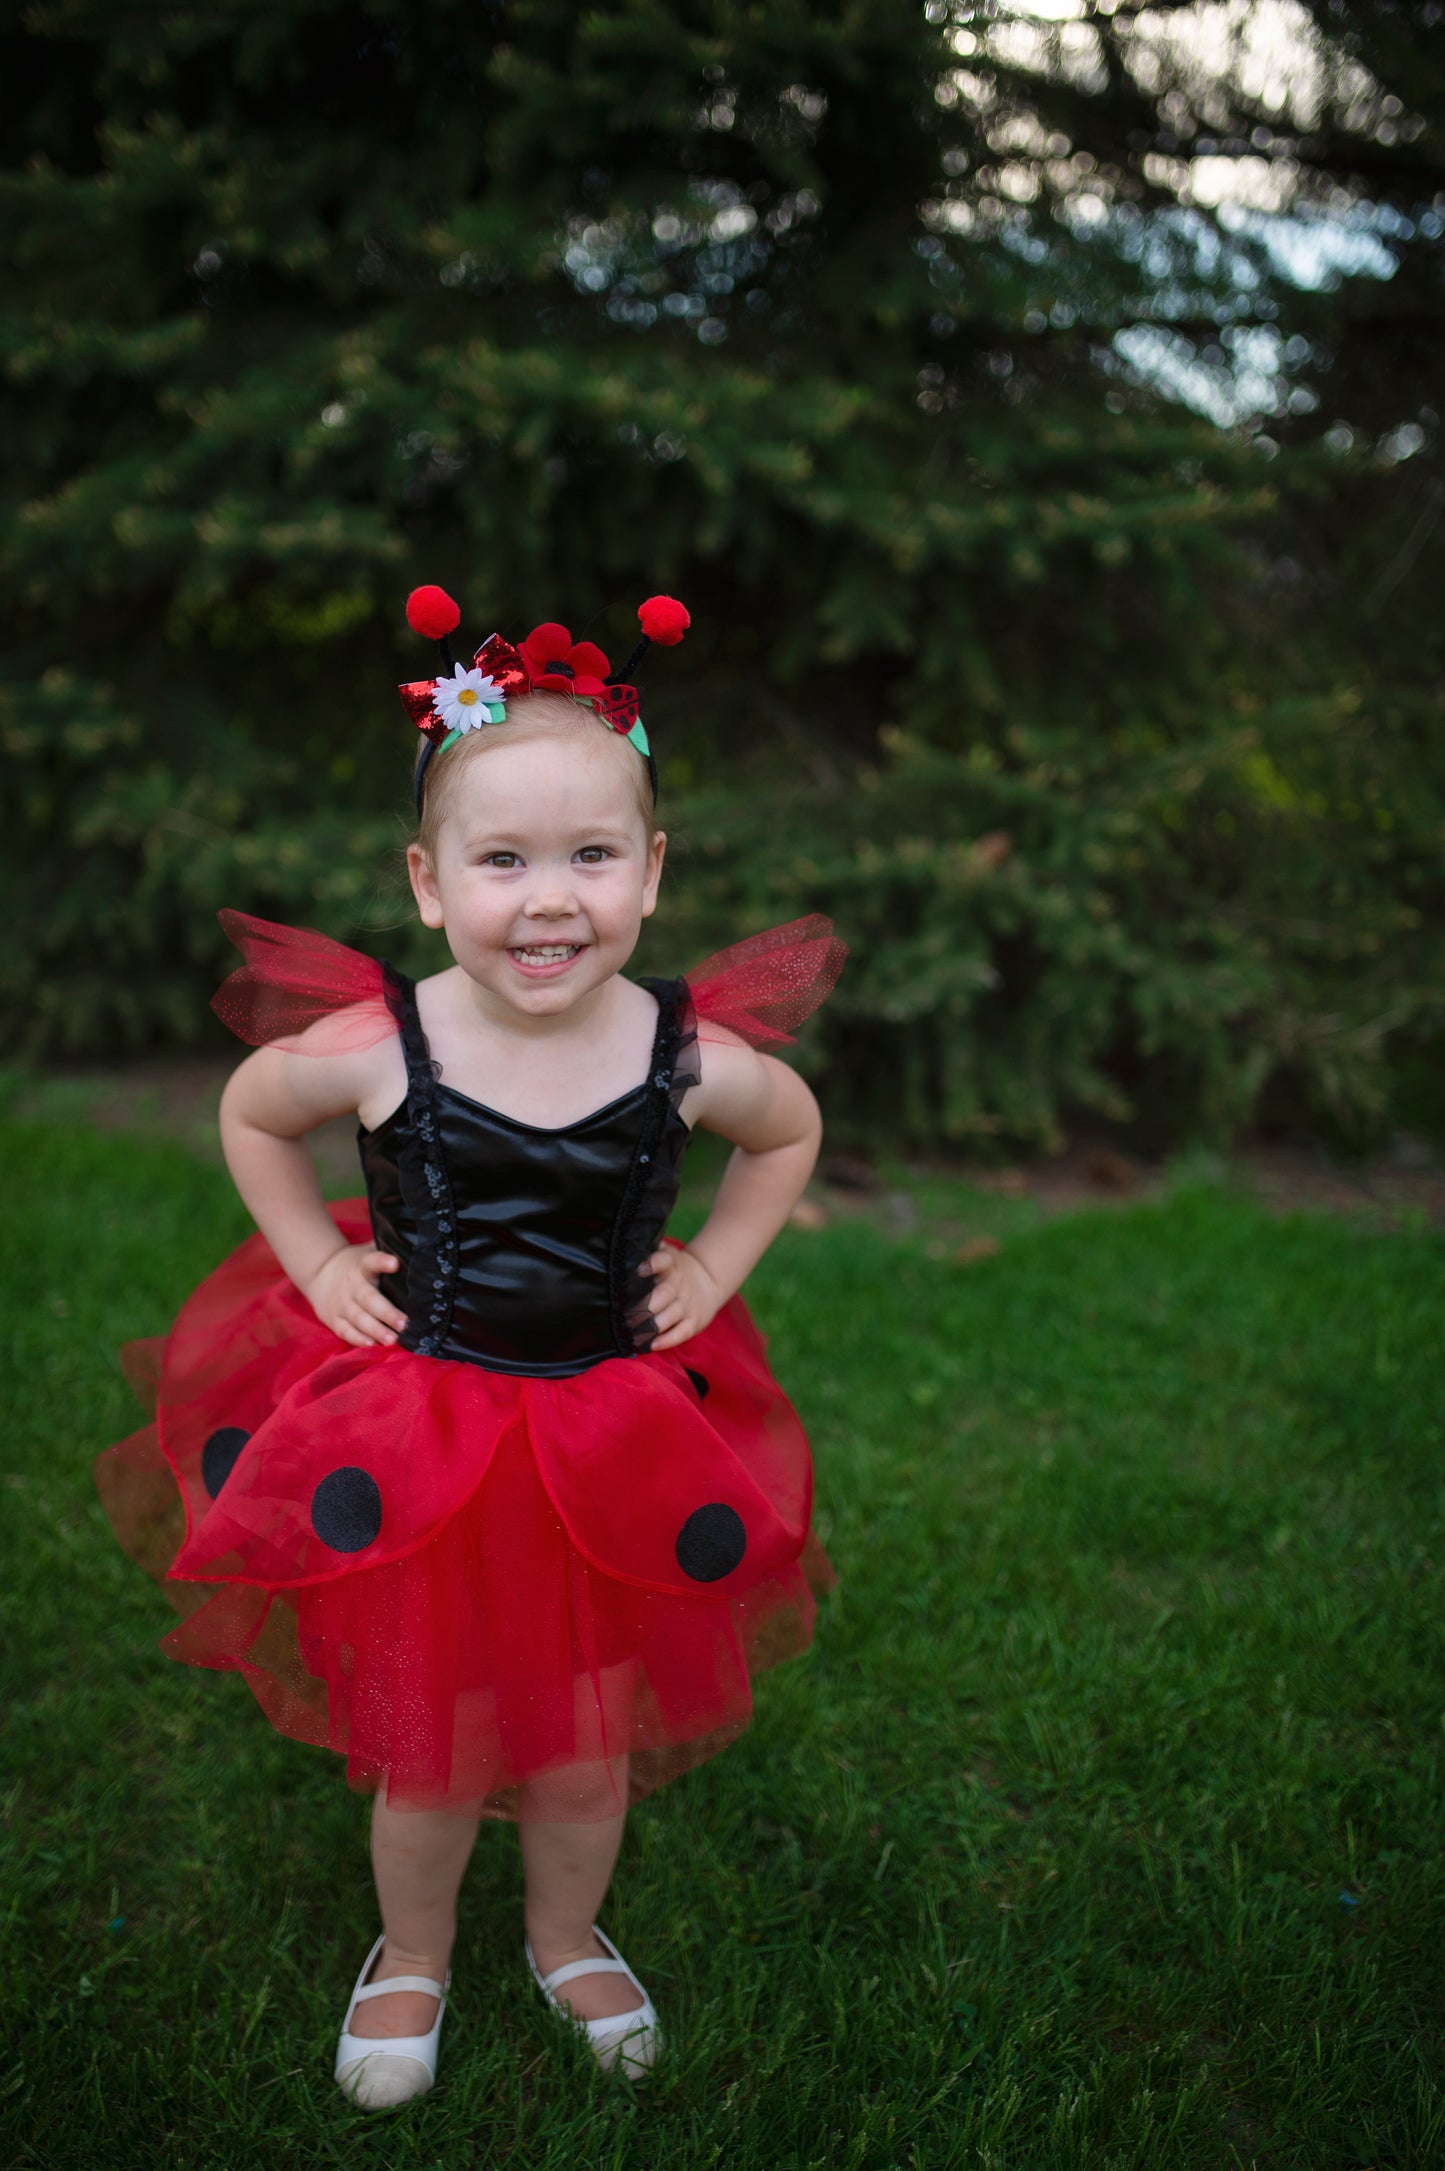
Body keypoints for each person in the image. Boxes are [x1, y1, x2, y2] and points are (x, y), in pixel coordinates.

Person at [95, 586, 845, 2109]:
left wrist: (717, 1253)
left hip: (606, 1434)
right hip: (424, 1436)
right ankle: (413, 1952)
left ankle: (567, 1932)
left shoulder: (687, 1054)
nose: (550, 899)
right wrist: (313, 1255)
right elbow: (250, 1110)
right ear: (429, 885)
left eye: (592, 855)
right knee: (432, 1746)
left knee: (582, 1742)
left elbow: (790, 1132)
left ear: (651, 870)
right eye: (503, 861)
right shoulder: (383, 1042)